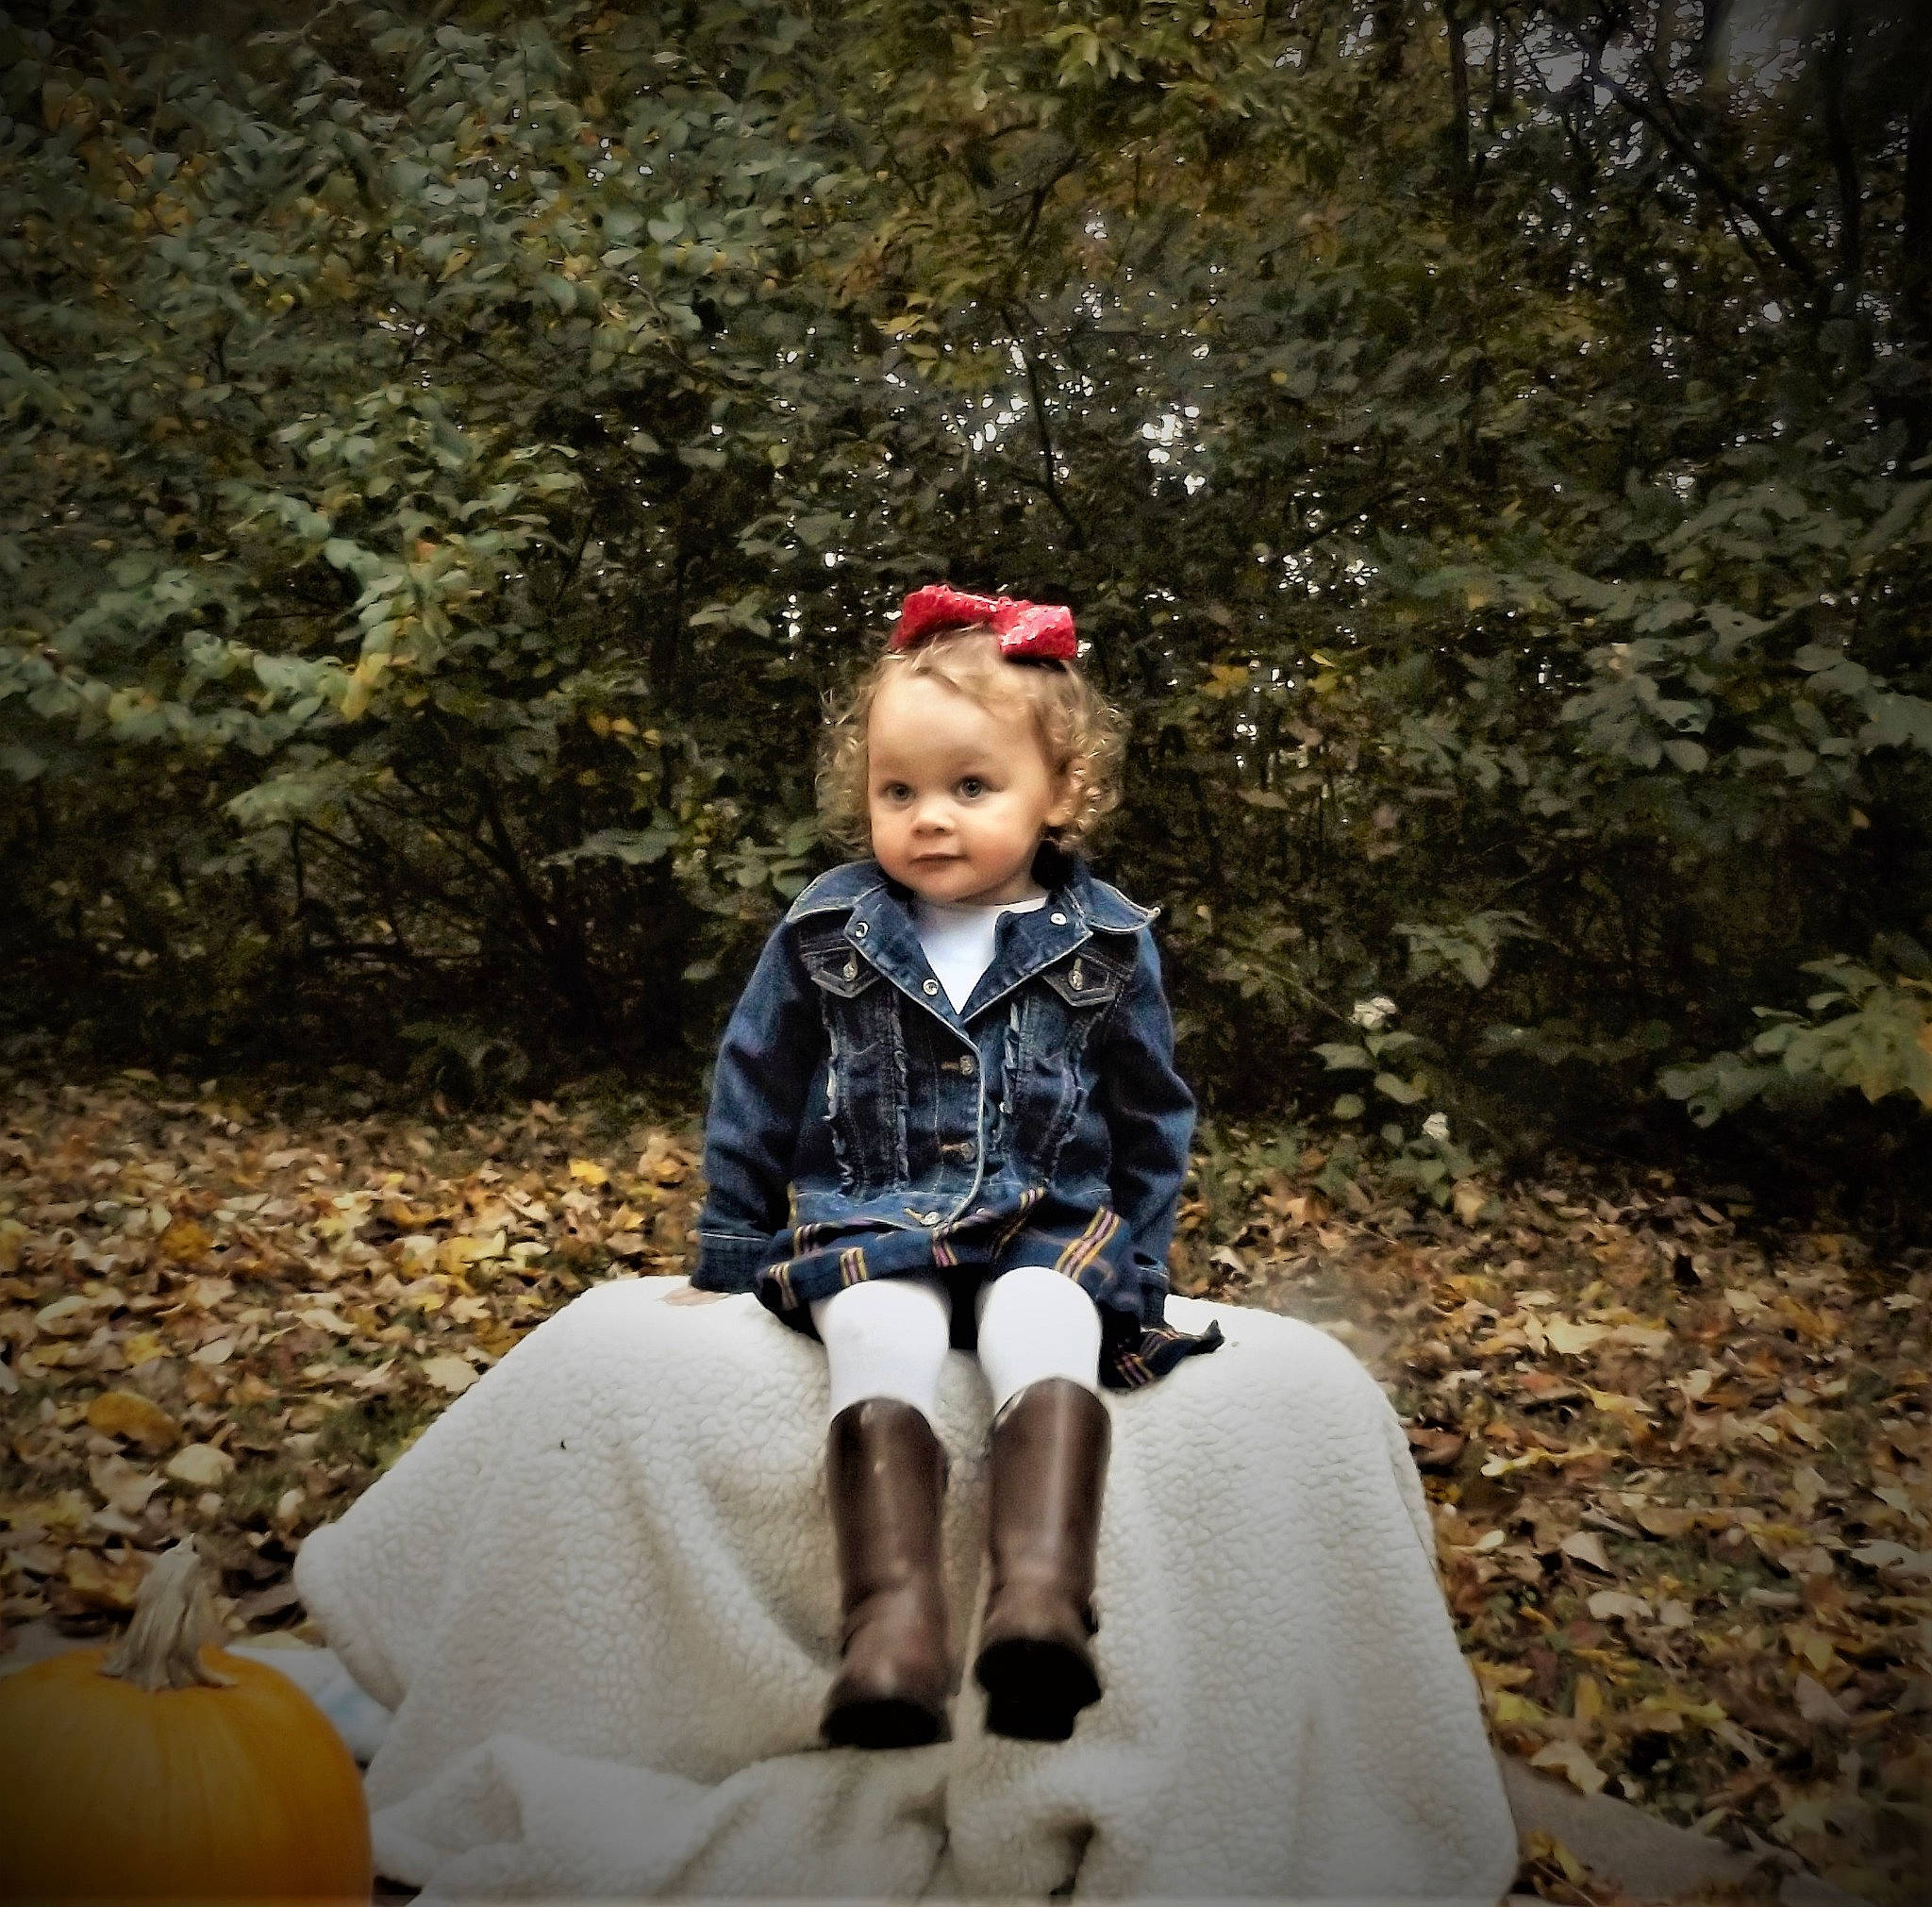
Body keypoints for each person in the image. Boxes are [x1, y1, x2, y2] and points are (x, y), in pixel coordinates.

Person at [691, 584, 1222, 1753]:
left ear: (1058, 793)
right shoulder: (828, 927)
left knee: (1047, 1308)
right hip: (875, 1216)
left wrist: (1138, 1257)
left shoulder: (1107, 939)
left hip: (1045, 1218)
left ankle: (1036, 1603)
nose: (929, 817)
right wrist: (731, 1243)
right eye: (899, 790)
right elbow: (755, 1082)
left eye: (970, 788)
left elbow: (1150, 1114)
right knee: (876, 1320)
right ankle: (892, 1627)